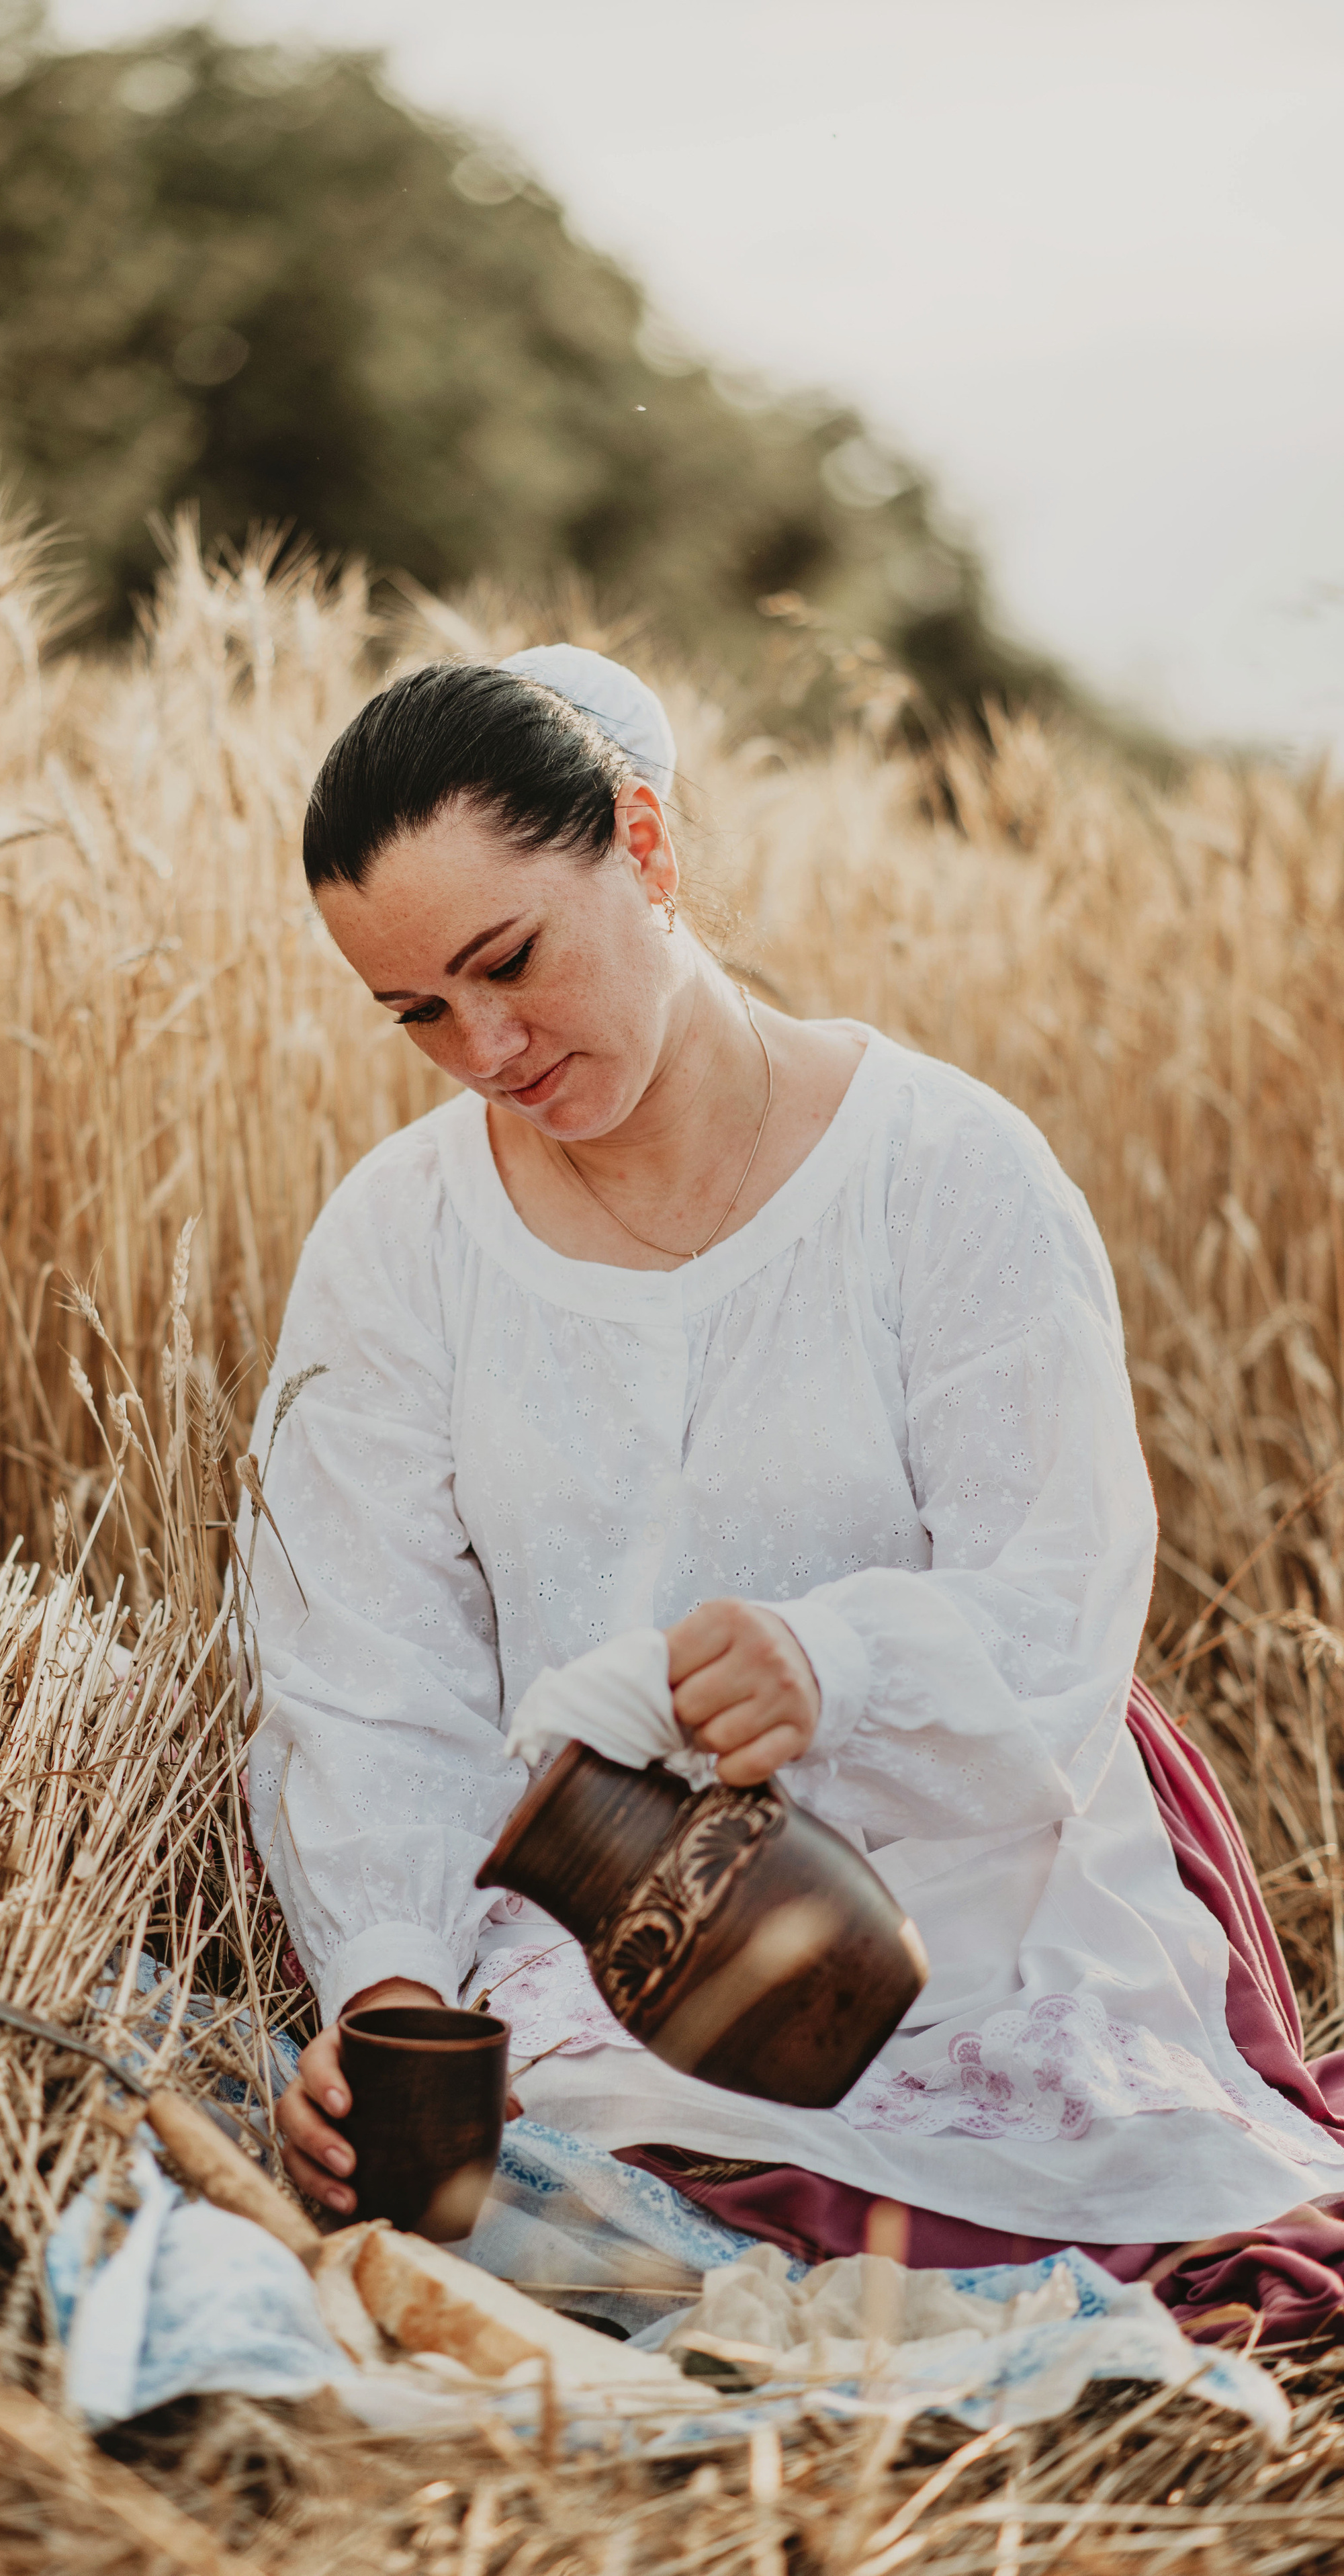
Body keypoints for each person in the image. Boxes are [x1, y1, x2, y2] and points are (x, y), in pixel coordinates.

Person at [244, 646, 1344, 2337]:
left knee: (1026, 2169)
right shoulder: (396, 1243)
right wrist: (391, 1992)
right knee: (556, 2158)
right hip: (596, 1911)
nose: (483, 1047)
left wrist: (833, 1668)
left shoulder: (941, 1169)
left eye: (508, 962)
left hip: (954, 1855)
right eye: (416, 1013)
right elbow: (363, 1668)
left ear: (645, 846)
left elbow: (1054, 1591)